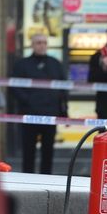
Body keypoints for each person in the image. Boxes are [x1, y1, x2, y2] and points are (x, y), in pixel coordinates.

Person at [11, 34, 67, 174]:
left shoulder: (55, 64)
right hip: (29, 114)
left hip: (50, 113)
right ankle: (27, 178)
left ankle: (46, 178)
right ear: (32, 45)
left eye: (44, 42)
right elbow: (14, 86)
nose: (41, 45)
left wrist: (63, 110)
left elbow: (63, 88)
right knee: (28, 149)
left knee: (48, 150)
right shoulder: (22, 64)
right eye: (38, 43)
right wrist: (27, 100)